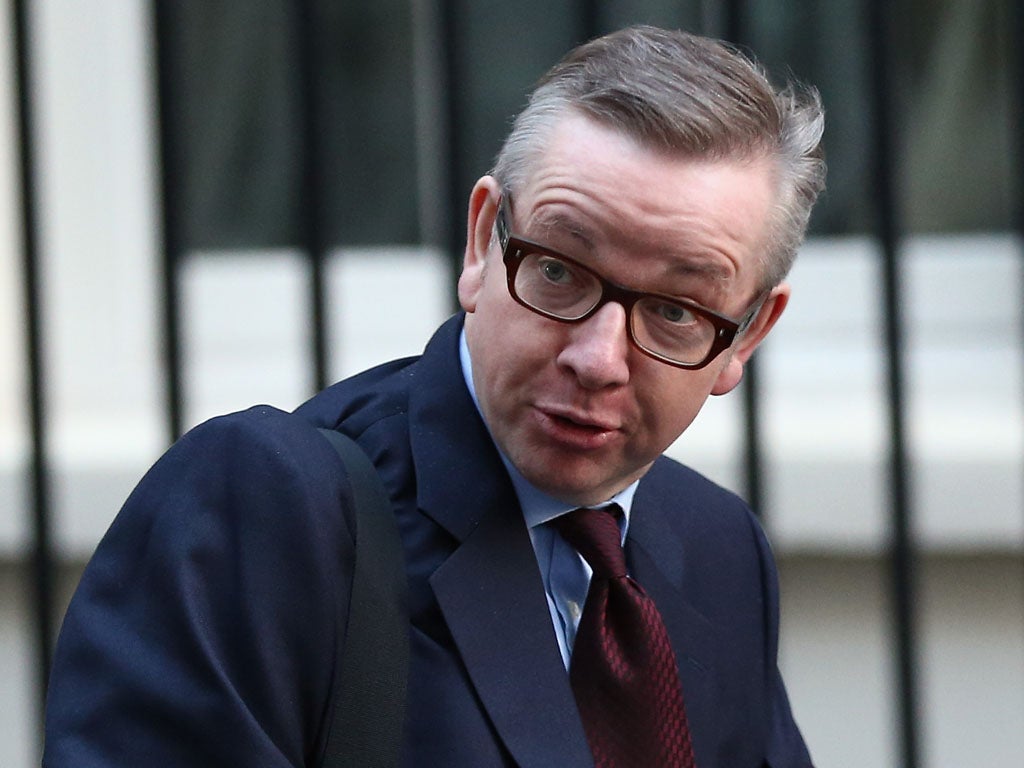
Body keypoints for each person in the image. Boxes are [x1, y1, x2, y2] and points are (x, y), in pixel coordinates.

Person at [43, 24, 825, 768]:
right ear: (483, 240)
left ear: (748, 335)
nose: (597, 359)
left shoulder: (720, 550)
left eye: (675, 312)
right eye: (558, 269)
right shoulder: (267, 507)